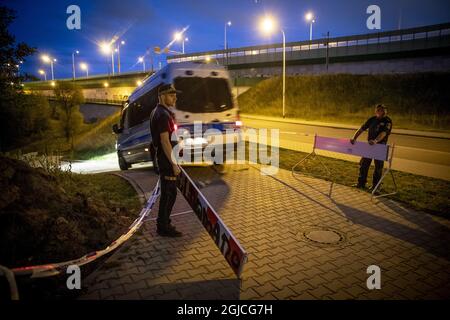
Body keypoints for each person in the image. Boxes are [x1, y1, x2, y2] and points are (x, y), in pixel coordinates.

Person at [150, 84, 182, 237]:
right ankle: (163, 227)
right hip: (166, 161)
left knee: (170, 193)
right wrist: (174, 163)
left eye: (175, 94)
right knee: (169, 194)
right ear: (162, 96)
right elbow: (164, 141)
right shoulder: (162, 115)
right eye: (171, 94)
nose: (175, 97)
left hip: (164, 159)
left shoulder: (159, 112)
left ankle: (163, 224)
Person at [350, 104, 392, 191]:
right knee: (364, 165)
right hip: (369, 146)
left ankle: (376, 187)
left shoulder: (387, 121)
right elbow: (362, 129)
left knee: (378, 168)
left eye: (385, 110)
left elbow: (383, 133)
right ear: (376, 111)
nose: (383, 112)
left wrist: (376, 141)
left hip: (380, 147)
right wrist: (354, 138)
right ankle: (361, 183)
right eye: (381, 110)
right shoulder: (372, 119)